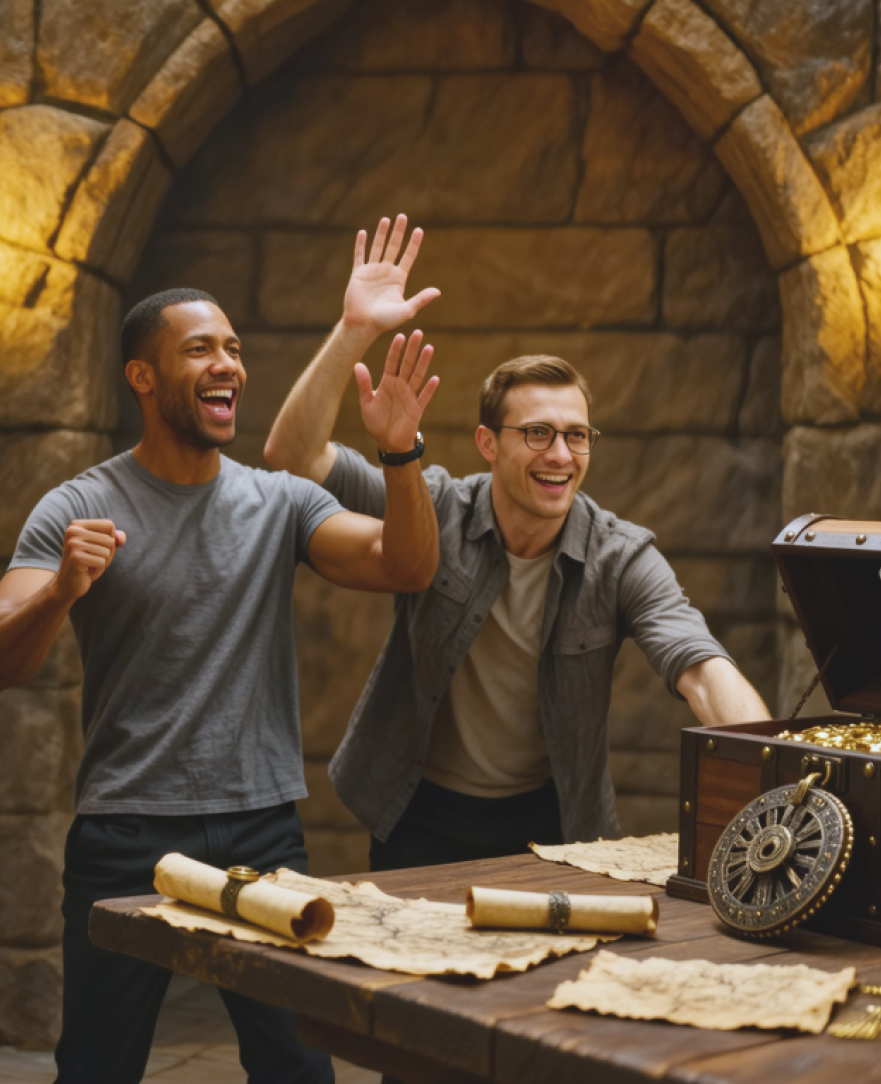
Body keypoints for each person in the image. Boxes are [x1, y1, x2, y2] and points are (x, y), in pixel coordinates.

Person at [0, 220, 443, 1084]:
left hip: (263, 827)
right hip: (125, 832)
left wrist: (401, 453)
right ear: (144, 377)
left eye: (233, 347)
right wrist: (59, 591)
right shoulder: (78, 504)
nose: (227, 363)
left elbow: (406, 566)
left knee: (300, 1069)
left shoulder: (279, 502)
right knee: (99, 1068)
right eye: (200, 349)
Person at [263, 279, 773, 871]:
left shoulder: (621, 556)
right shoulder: (432, 507)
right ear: (488, 442)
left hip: (554, 823)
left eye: (576, 436)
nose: (560, 454)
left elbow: (702, 670)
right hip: (420, 811)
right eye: (537, 433)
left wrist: (771, 770)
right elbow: (293, 456)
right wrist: (355, 332)